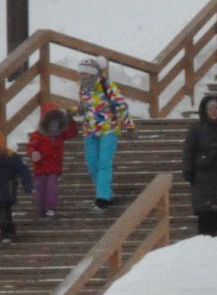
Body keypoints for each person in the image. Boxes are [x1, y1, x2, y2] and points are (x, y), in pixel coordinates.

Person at [76, 59, 135, 210]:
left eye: (84, 73)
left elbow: (121, 104)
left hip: (108, 128)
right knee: (91, 163)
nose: (81, 75)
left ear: (92, 73)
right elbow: (85, 106)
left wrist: (128, 124)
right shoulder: (83, 88)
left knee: (103, 163)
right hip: (90, 130)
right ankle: (107, 193)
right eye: (80, 72)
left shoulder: (106, 85)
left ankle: (102, 198)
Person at [182, 95, 217, 237]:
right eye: (210, 108)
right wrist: (188, 170)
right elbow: (189, 151)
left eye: (216, 108)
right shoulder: (196, 129)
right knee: (205, 217)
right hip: (202, 179)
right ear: (205, 111)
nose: (214, 111)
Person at [26, 105, 74, 219]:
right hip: (40, 167)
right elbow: (30, 146)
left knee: (51, 187)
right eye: (51, 123)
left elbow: (72, 133)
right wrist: (33, 153)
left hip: (54, 168)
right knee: (40, 189)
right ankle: (41, 208)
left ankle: (50, 208)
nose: (53, 126)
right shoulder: (37, 135)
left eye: (56, 123)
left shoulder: (60, 135)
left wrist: (70, 119)